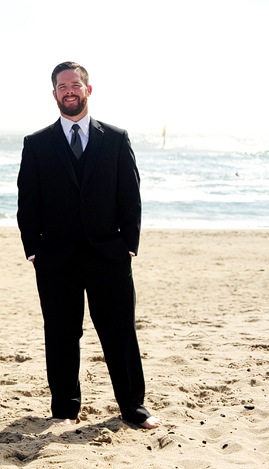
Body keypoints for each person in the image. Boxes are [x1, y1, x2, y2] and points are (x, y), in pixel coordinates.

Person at [16, 62, 163, 429]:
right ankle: (65, 408)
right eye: (62, 86)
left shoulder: (115, 137)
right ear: (54, 94)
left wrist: (129, 244)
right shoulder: (36, 144)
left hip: (108, 254)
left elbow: (130, 196)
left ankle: (133, 407)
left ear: (88, 89)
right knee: (62, 335)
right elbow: (27, 202)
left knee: (120, 334)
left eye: (75, 84)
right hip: (56, 258)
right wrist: (33, 250)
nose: (69, 91)